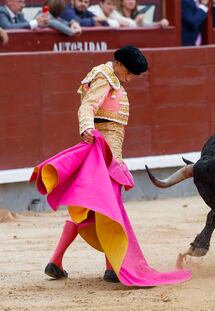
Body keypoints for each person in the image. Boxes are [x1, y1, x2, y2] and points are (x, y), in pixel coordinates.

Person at [30, 45, 192, 286]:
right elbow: (87, 106)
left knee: (92, 208)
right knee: (107, 207)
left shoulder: (111, 78)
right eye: (128, 73)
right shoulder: (105, 76)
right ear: (118, 63)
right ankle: (110, 268)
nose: (129, 79)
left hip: (106, 154)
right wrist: (86, 127)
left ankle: (58, 262)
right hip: (103, 155)